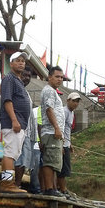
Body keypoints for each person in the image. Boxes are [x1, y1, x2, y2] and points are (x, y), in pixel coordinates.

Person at [0, 51, 32, 192]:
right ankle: (7, 184)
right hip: (13, 123)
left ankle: (7, 182)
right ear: (11, 63)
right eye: (17, 60)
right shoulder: (9, 79)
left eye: (23, 61)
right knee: (10, 153)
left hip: (20, 125)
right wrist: (14, 120)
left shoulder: (18, 80)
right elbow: (7, 100)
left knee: (12, 154)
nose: (21, 63)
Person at [39, 66, 66, 197]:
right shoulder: (49, 91)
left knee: (54, 161)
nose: (60, 79)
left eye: (61, 77)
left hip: (55, 133)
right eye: (57, 76)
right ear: (49, 77)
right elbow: (49, 110)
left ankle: (52, 188)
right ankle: (49, 189)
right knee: (49, 160)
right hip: (50, 131)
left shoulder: (54, 92)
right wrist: (56, 127)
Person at [14, 68, 41, 193]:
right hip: (16, 129)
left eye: (29, 76)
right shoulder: (14, 87)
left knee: (22, 160)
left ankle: (17, 185)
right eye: (24, 75)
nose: (26, 78)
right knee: (12, 158)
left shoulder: (26, 92)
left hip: (26, 131)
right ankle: (8, 182)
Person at [57, 91, 81, 197]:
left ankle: (61, 187)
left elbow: (68, 130)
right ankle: (62, 188)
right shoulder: (64, 111)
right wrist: (61, 144)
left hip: (66, 143)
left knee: (65, 168)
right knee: (62, 168)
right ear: (68, 101)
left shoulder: (71, 113)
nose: (75, 103)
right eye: (74, 101)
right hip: (62, 143)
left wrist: (69, 143)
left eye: (77, 102)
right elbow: (60, 128)